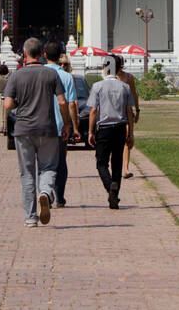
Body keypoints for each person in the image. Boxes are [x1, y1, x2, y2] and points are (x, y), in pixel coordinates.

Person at [3, 37, 68, 226]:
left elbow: (7, 105)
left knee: (27, 173)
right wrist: (66, 124)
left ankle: (30, 217)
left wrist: (19, 102)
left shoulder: (16, 75)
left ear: (24, 54)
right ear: (42, 54)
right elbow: (62, 102)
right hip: (47, 129)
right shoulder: (51, 75)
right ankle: (46, 192)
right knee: (48, 168)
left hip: (23, 130)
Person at [87, 58, 135, 210]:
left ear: (105, 68)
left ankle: (110, 187)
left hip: (105, 128)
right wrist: (131, 133)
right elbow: (129, 112)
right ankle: (114, 196)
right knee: (117, 163)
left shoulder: (97, 86)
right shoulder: (124, 87)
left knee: (101, 163)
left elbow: (93, 110)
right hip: (120, 127)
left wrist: (90, 131)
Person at [43, 40, 79, 208]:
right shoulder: (66, 76)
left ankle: (45, 192)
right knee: (60, 163)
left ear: (44, 55)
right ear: (60, 57)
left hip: (41, 126)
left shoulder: (38, 74)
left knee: (43, 163)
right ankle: (60, 197)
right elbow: (71, 104)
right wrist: (72, 126)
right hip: (59, 126)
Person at [115, 54, 140, 178]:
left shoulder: (128, 77)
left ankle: (125, 168)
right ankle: (117, 166)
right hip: (114, 112)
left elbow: (134, 94)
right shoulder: (111, 77)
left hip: (127, 112)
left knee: (127, 137)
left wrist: (138, 110)